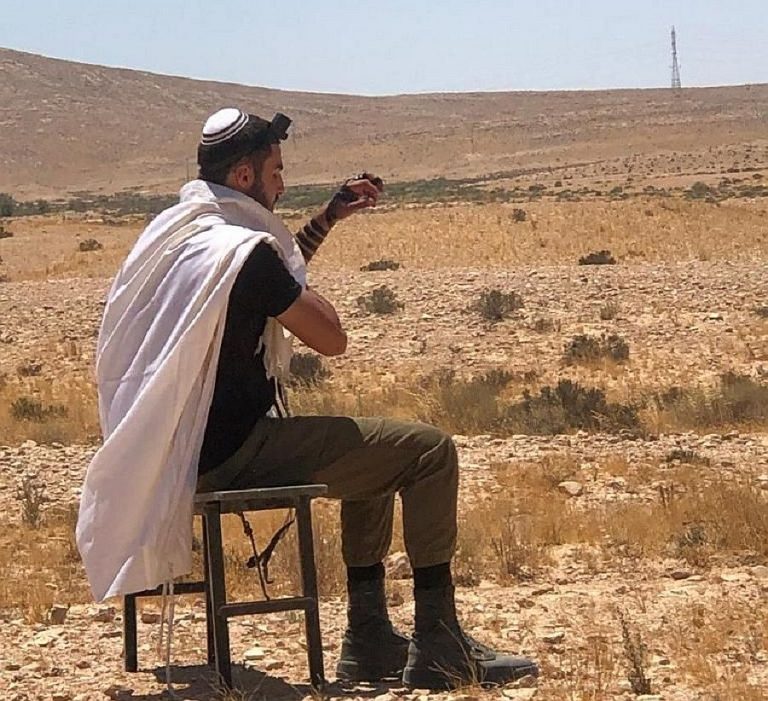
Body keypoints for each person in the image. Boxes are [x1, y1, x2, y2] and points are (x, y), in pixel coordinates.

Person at [78, 107, 538, 690]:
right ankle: (437, 640)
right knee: (427, 451)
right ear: (243, 176)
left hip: (171, 452)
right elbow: (329, 336)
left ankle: (371, 640)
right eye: (275, 171)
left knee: (373, 452)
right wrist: (297, 280)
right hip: (232, 452)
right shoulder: (238, 250)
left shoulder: (178, 235)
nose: (281, 184)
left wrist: (328, 218)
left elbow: (270, 277)